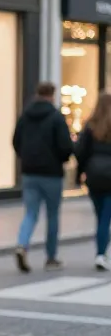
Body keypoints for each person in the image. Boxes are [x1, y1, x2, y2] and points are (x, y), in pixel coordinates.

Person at [12, 81, 73, 272]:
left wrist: (26, 158)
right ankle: (51, 257)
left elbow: (16, 140)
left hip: (30, 172)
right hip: (52, 173)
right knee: (53, 215)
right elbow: (65, 146)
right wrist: (61, 158)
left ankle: (22, 245)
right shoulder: (56, 117)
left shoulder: (25, 116)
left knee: (30, 213)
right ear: (52, 95)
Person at [72, 91, 111, 271]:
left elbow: (80, 151)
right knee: (105, 218)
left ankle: (101, 251)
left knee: (99, 215)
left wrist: (80, 174)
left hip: (94, 175)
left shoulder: (90, 125)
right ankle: (101, 254)